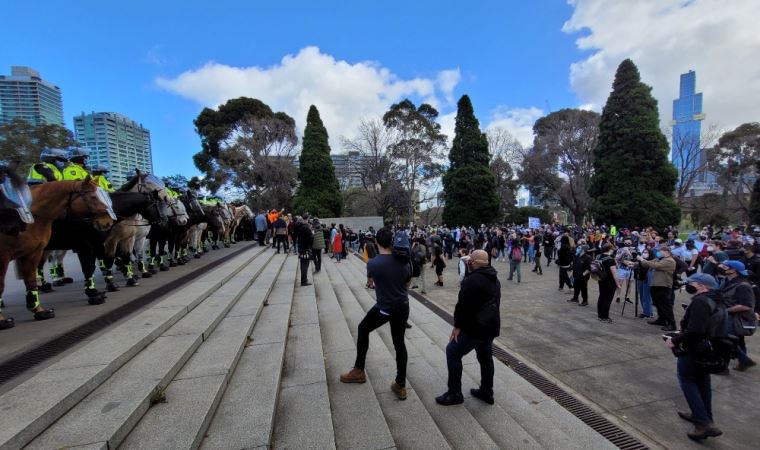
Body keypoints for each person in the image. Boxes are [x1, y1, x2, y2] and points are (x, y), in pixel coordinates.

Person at [340, 228, 411, 401]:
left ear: (377, 242)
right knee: (399, 342)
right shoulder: (405, 260)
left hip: (385, 307)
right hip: (403, 305)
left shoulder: (373, 263)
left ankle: (358, 370)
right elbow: (408, 282)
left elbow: (370, 282)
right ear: (391, 241)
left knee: (363, 328)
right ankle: (400, 385)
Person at [436, 250, 500, 406]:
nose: (468, 263)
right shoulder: (494, 279)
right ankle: (486, 391)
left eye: (470, 260)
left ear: (476, 262)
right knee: (485, 358)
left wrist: (457, 326)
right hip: (490, 327)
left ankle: (455, 393)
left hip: (475, 327)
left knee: (453, 351)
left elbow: (463, 306)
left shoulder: (472, 280)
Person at [665, 273, 724, 441]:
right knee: (703, 383)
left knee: (687, 381)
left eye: (692, 284)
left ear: (702, 286)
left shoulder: (700, 301)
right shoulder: (718, 299)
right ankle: (704, 416)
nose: (688, 286)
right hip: (709, 348)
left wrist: (675, 340)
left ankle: (702, 423)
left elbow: (695, 330)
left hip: (695, 349)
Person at [718, 260, 756, 371]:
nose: (723, 267)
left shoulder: (743, 286)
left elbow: (746, 305)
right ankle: (743, 362)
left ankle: (724, 367)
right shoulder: (730, 281)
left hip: (736, 318)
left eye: (726, 266)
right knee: (737, 340)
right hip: (731, 316)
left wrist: (725, 311)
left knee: (726, 340)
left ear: (733, 270)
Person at [635, 246, 677, 331]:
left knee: (665, 306)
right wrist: (640, 259)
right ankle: (661, 320)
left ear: (666, 251)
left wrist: (642, 260)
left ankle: (672, 324)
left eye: (660, 251)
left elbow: (655, 266)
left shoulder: (669, 260)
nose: (658, 253)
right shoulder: (659, 259)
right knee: (657, 304)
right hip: (655, 285)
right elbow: (647, 264)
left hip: (664, 285)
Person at [595, 244, 619, 323]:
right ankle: (605, 317)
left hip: (601, 279)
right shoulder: (610, 259)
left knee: (601, 297)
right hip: (610, 281)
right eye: (613, 248)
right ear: (610, 249)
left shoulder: (598, 256)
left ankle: (600, 315)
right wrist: (618, 284)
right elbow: (614, 273)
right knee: (607, 299)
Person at [294, 216, 313, 286]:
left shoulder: (298, 227)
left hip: (301, 248)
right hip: (306, 248)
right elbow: (310, 237)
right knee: (305, 265)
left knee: (302, 264)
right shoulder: (305, 227)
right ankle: (304, 280)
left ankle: (304, 279)